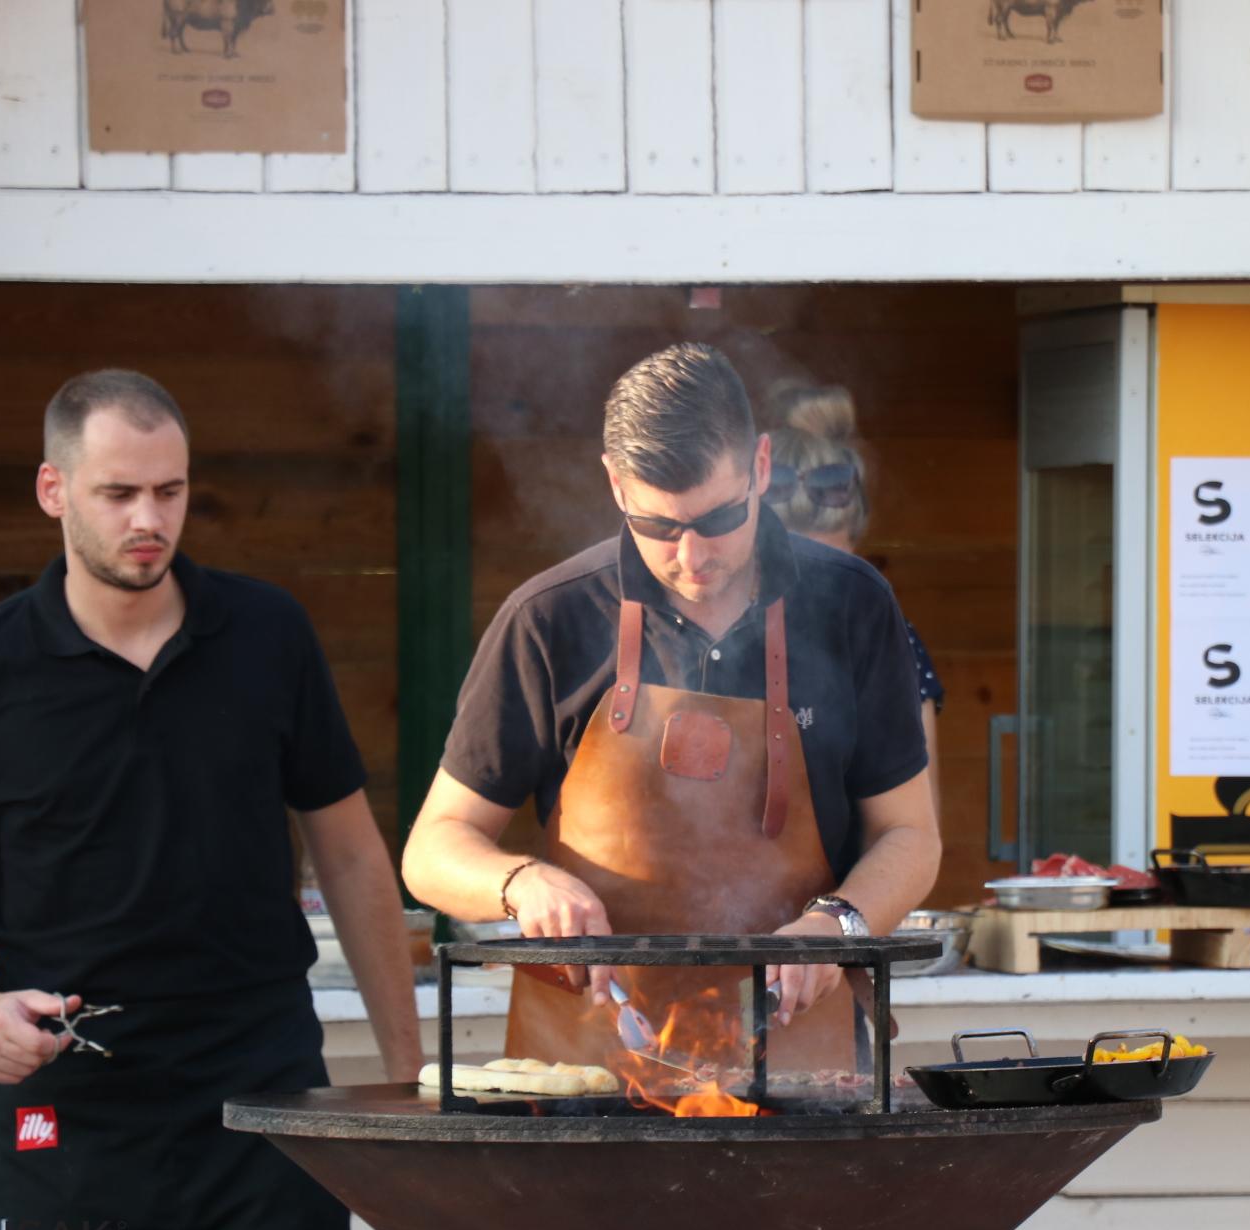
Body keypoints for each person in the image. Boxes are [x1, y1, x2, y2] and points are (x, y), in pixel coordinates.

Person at [0, 370, 420, 1230]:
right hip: (63, 1115)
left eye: (170, 490)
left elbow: (349, 857)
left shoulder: (269, 635)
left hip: (265, 1107)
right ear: (53, 489)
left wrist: (411, 1082)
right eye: (118, 493)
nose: (148, 519)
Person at [402, 343, 940, 1071]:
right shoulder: (548, 619)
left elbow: (911, 837)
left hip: (802, 1068)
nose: (692, 556)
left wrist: (836, 925)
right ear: (616, 484)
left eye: (718, 519)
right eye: (659, 527)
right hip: (586, 1076)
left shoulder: (851, 605)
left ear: (759, 467)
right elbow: (433, 847)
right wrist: (519, 882)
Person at [759, 382, 945, 820]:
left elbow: (915, 829)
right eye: (798, 562)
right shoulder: (708, 629)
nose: (816, 586)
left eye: (834, 569)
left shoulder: (887, 641)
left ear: (856, 546)